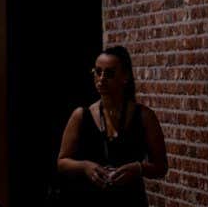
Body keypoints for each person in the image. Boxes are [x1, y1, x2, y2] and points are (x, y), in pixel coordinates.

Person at [56, 46, 168, 205]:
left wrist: (138, 168)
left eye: (109, 73)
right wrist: (85, 166)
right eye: (97, 71)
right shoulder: (81, 115)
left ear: (125, 77)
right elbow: (62, 162)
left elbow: (161, 167)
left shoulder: (144, 116)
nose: (101, 78)